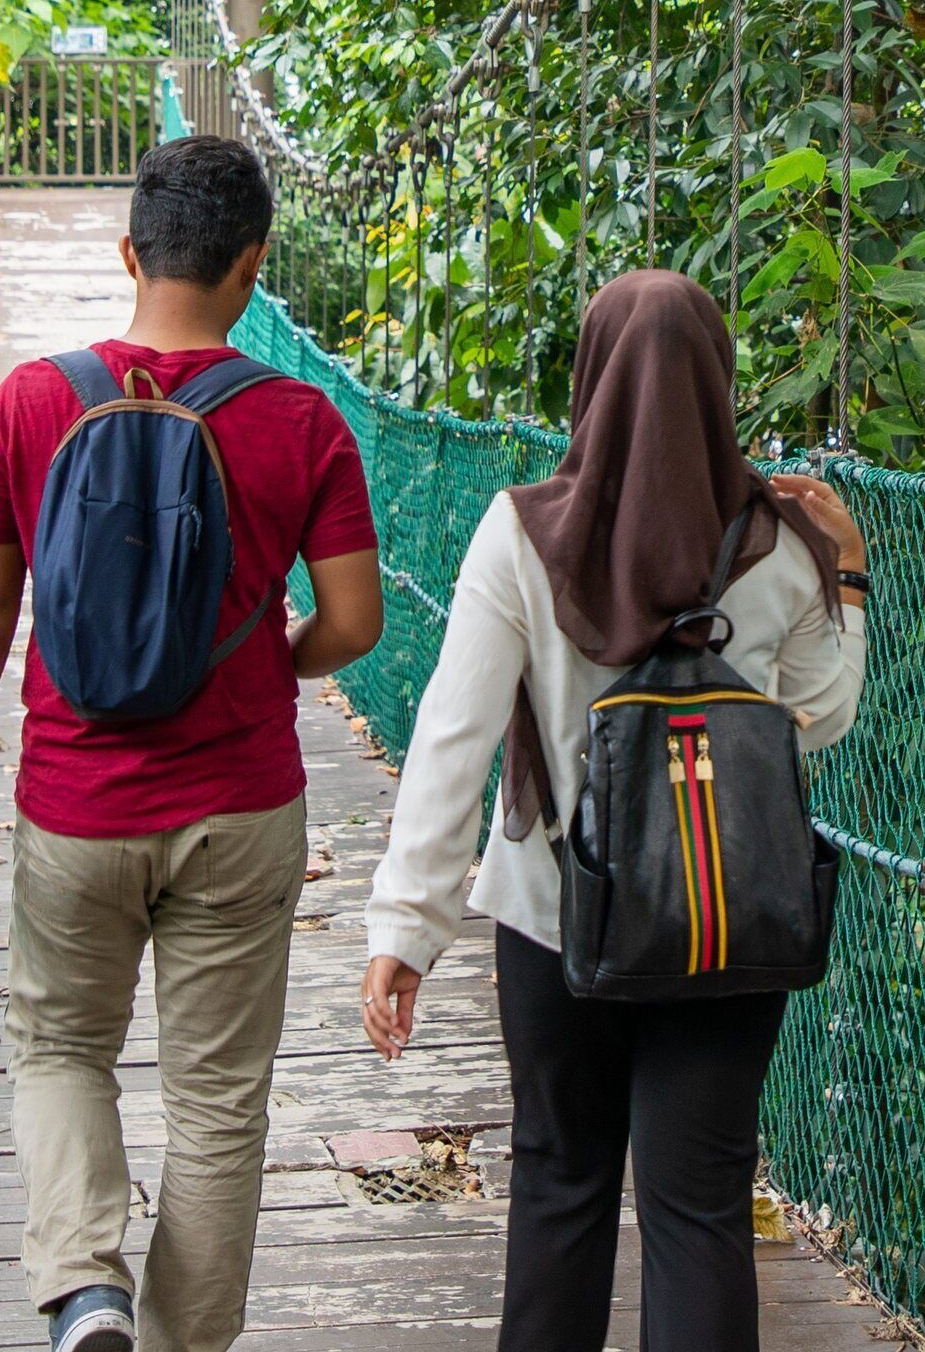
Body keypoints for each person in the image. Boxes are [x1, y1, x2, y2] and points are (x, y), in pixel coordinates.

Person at [0, 134, 386, 1352]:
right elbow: (356, 626)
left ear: (129, 252)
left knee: (60, 1047)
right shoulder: (303, 422)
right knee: (218, 1103)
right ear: (254, 267)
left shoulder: (31, 401)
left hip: (75, 807)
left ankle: (84, 1290)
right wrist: (273, 657)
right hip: (242, 809)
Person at [358, 270, 869, 1352]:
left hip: (556, 917)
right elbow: (813, 724)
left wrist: (408, 930)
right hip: (731, 923)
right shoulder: (778, 541)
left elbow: (455, 739)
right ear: (718, 383)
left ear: (589, 382)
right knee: (698, 1208)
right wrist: (851, 579)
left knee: (559, 1185)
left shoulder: (522, 536)